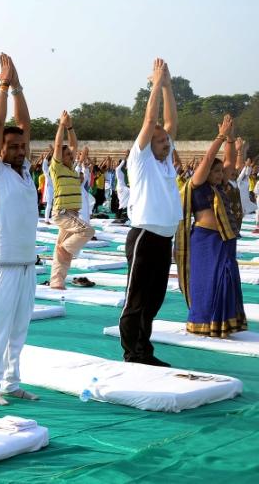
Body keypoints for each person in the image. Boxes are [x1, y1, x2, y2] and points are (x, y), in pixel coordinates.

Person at [0, 53, 39, 406]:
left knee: (19, 330)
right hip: (1, 263)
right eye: (11, 146)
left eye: (21, 147)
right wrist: (2, 87)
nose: (18, 150)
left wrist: (18, 87)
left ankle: (13, 381)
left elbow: (23, 124)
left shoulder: (26, 172)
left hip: (27, 262)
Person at [120, 58, 182, 367]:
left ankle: (144, 350)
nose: (166, 144)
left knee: (154, 300)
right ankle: (133, 353)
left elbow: (171, 124)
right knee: (137, 300)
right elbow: (151, 122)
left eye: (167, 142)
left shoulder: (166, 160)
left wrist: (169, 86)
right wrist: (155, 85)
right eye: (160, 141)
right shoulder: (141, 159)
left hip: (164, 238)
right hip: (144, 235)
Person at [175, 115, 247, 338]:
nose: (220, 175)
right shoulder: (197, 185)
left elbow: (230, 161)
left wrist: (231, 139)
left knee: (226, 278)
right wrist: (220, 137)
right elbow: (208, 159)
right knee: (208, 280)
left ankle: (223, 324)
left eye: (220, 172)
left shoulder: (221, 185)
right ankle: (203, 322)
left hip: (224, 238)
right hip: (205, 240)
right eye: (215, 172)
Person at [48, 110, 96, 289]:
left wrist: (70, 126)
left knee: (60, 253)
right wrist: (61, 125)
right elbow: (59, 143)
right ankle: (67, 249)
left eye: (71, 155)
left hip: (71, 213)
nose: (71, 156)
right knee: (87, 231)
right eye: (67, 154)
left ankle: (57, 281)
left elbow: (73, 144)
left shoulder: (71, 169)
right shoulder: (57, 167)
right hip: (63, 213)